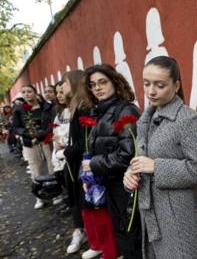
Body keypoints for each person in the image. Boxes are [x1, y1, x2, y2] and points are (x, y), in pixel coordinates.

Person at [123, 56, 197, 258]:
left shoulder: (187, 119)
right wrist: (130, 173)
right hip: (151, 214)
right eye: (146, 84)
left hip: (179, 219)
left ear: (176, 85)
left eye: (160, 85)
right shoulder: (146, 119)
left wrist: (156, 167)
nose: (151, 91)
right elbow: (142, 160)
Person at [83, 64, 142, 259]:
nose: (98, 88)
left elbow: (128, 153)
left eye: (102, 82)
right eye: (93, 85)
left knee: (132, 235)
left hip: (127, 185)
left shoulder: (125, 111)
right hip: (109, 183)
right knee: (120, 233)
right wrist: (88, 175)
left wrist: (94, 165)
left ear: (115, 83)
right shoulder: (99, 112)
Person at [62, 70, 95, 256]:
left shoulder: (83, 106)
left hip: (83, 162)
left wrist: (68, 151)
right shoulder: (76, 105)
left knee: (89, 200)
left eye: (65, 83)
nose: (62, 87)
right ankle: (91, 237)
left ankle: (98, 241)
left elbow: (86, 140)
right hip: (76, 162)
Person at [12, 85, 50, 209]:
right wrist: (26, 133)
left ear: (35, 92)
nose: (27, 94)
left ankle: (55, 193)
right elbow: (16, 127)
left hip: (46, 140)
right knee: (35, 169)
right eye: (23, 92)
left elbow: (51, 122)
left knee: (51, 166)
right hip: (30, 143)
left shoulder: (45, 106)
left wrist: (42, 133)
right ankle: (39, 197)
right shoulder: (19, 110)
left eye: (29, 91)